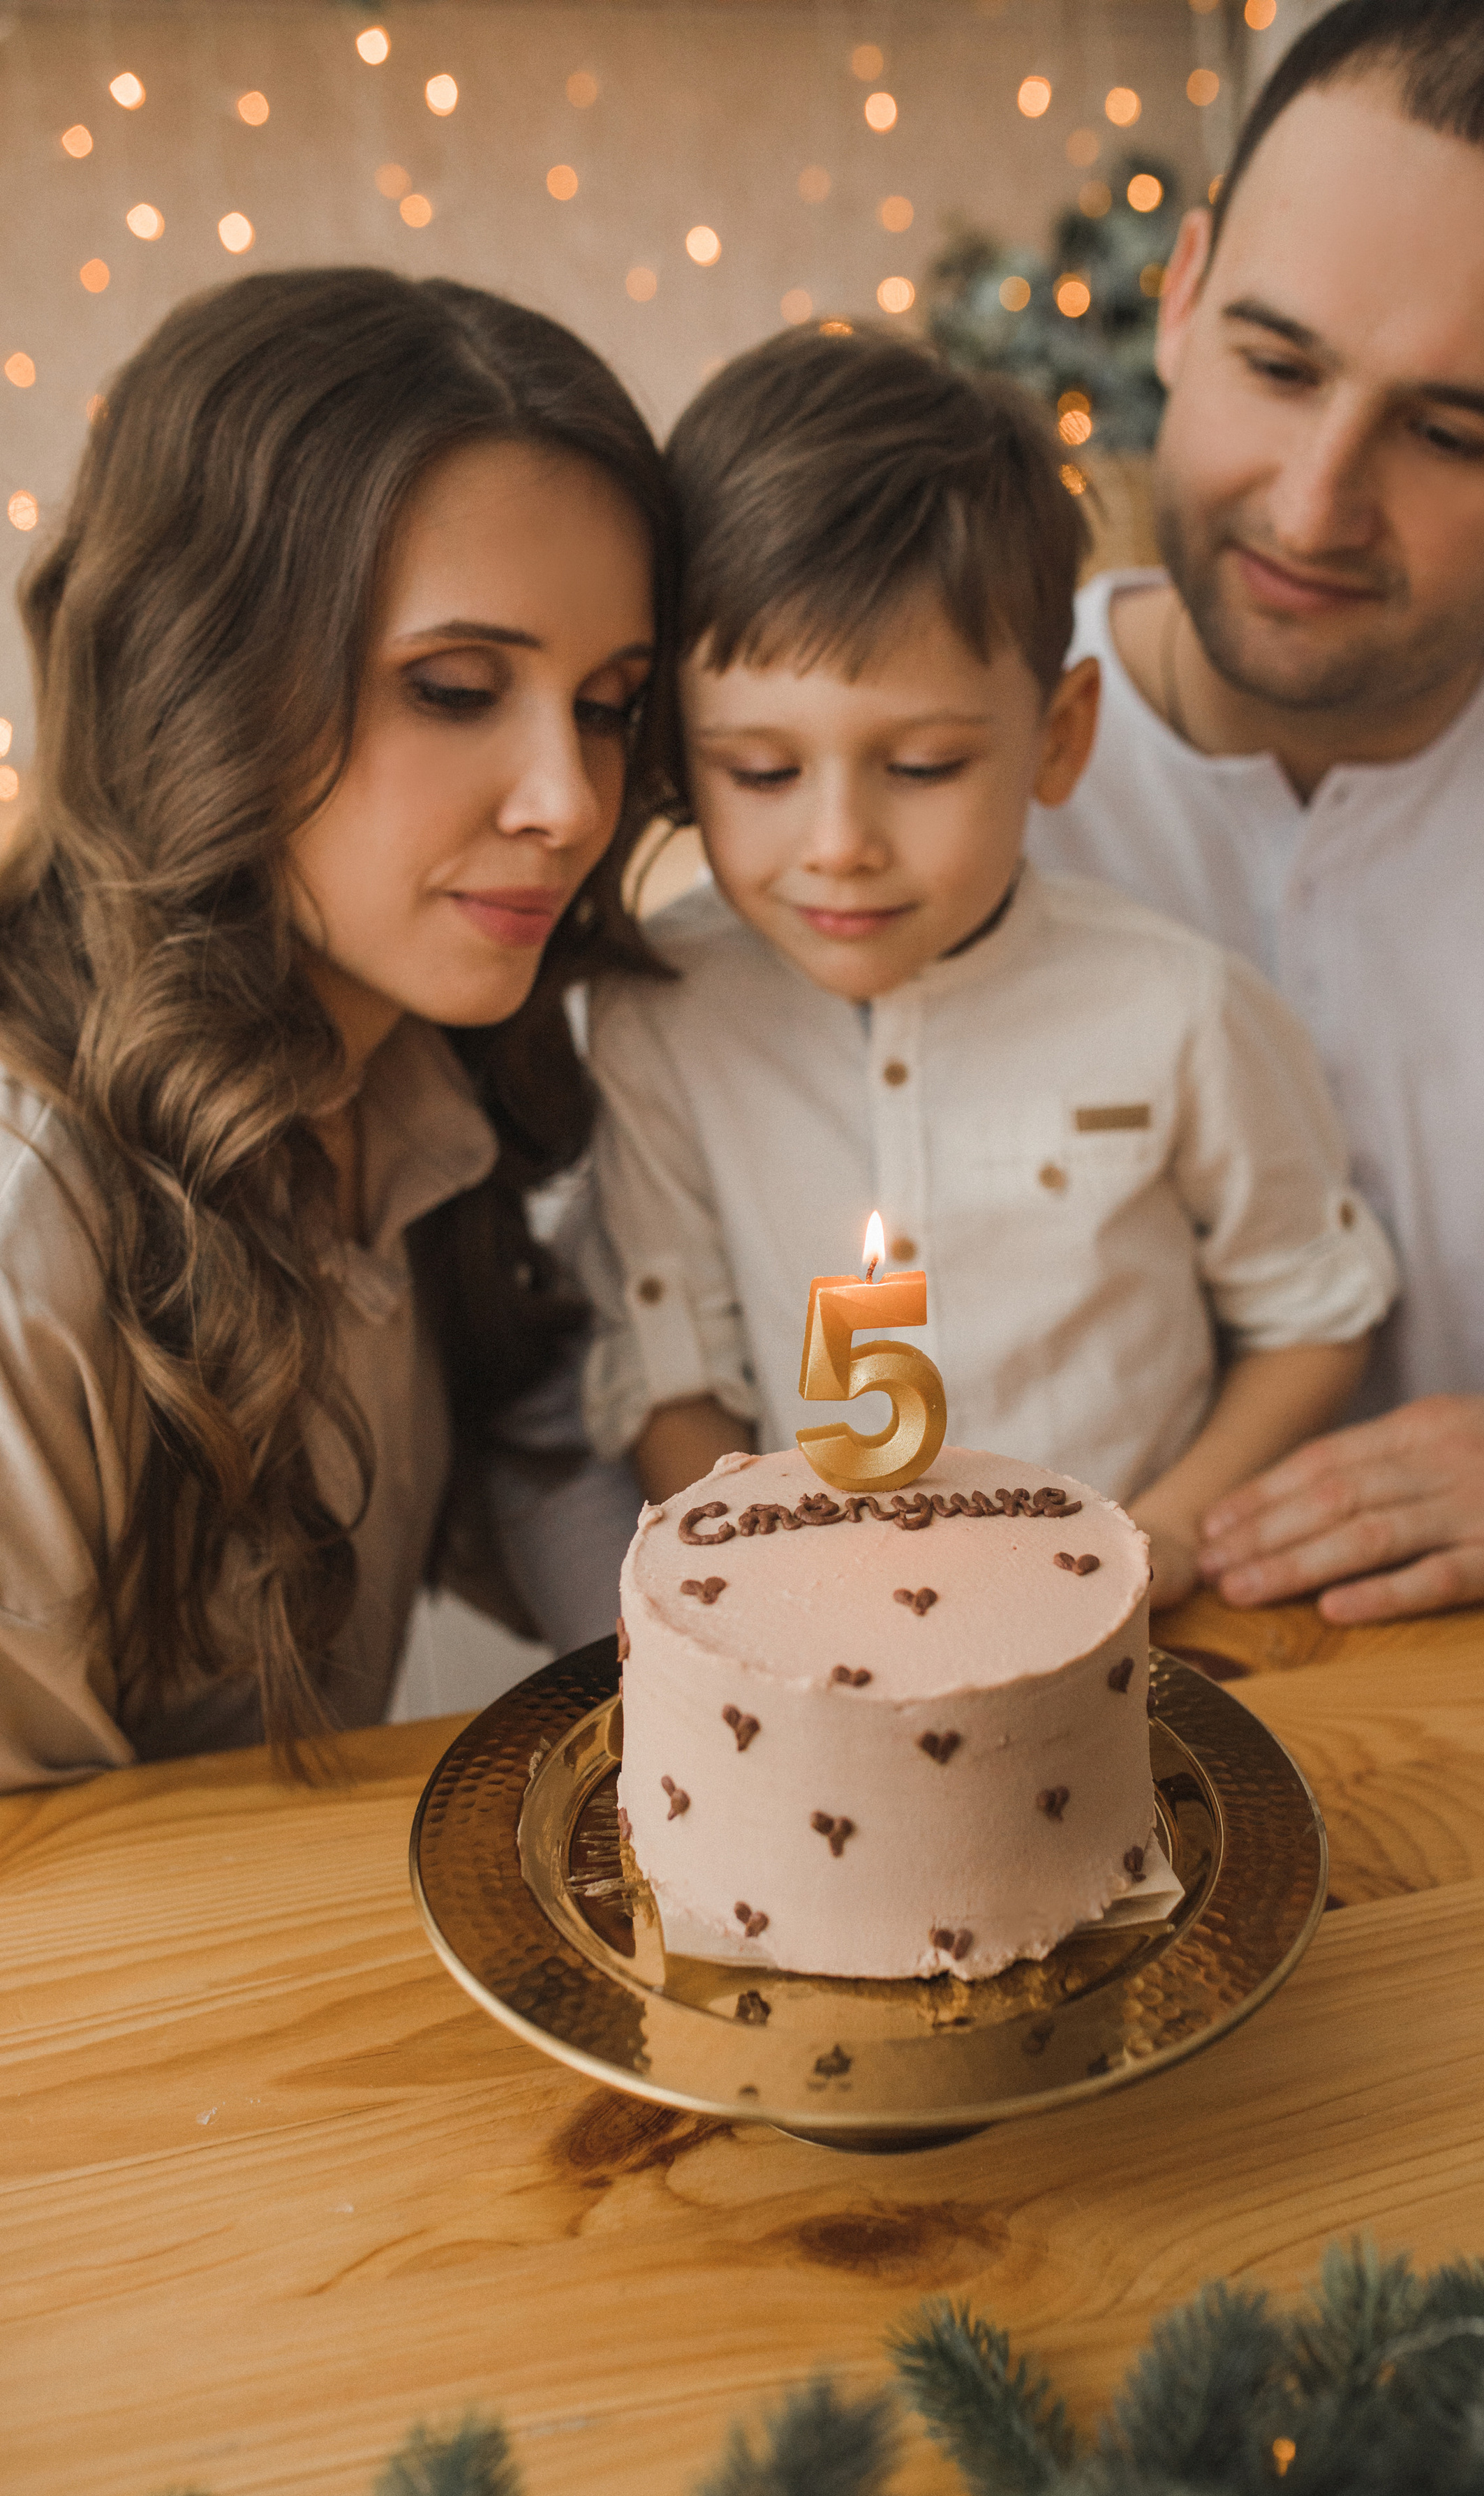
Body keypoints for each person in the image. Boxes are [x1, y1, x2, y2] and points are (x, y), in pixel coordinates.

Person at [1028, 0, 1484, 1623]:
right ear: (1179, 301)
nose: (1311, 504)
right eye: (1275, 363)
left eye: (1447, 432)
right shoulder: (871, 775)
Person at [563, 327, 1399, 1588]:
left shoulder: (1177, 1009)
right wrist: (762, 1578)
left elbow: (1313, 1317)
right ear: (682, 750)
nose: (840, 845)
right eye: (764, 771)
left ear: (1058, 738)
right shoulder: (662, 1016)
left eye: (922, 768)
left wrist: (1166, 1533)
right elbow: (671, 1363)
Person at [0, 268, 676, 1785]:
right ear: (202, 676)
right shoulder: (26, 1226)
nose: (566, 804)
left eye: (607, 704)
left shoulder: (428, 1073)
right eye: (454, 689)